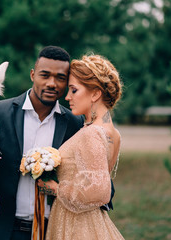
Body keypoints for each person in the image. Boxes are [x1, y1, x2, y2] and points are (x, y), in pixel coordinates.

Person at [0, 47, 114, 240]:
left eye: (60, 78)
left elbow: (98, 181)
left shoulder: (75, 124)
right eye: (45, 75)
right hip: (1, 230)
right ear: (33, 75)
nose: (52, 83)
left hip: (54, 231)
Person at [38, 54, 124, 240]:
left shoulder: (91, 133)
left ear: (95, 93)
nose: (67, 97)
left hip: (74, 225)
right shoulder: (112, 133)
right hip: (93, 220)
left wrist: (53, 188)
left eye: (74, 90)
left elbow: (99, 190)